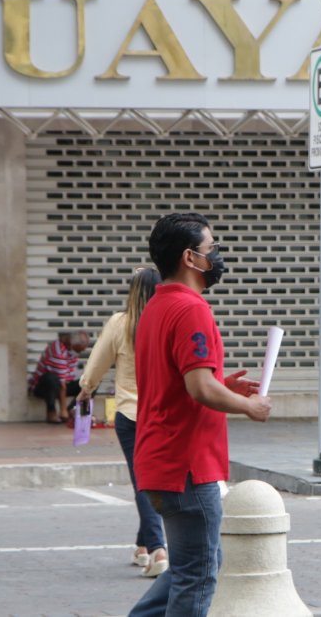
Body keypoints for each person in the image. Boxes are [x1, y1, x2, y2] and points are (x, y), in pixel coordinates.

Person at [129, 212, 272, 617]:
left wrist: (221, 384)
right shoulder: (193, 310)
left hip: (161, 459)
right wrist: (249, 406)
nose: (217, 256)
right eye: (212, 248)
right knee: (199, 574)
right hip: (187, 466)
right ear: (191, 258)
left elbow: (178, 383)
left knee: (188, 568)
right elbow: (197, 387)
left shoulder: (156, 307)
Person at [78, 267, 168, 578]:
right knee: (150, 478)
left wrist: (86, 389)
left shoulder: (121, 323)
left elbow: (97, 362)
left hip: (131, 414)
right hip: (163, 414)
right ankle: (143, 546)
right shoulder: (167, 321)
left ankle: (158, 549)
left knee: (143, 481)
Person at [29, 330, 89, 424]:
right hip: (45, 387)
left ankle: (72, 410)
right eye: (78, 350)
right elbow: (62, 384)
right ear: (70, 343)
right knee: (52, 379)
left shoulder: (72, 350)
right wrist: (63, 410)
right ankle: (52, 412)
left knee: (91, 382)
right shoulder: (57, 351)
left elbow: (70, 376)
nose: (79, 353)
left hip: (63, 382)